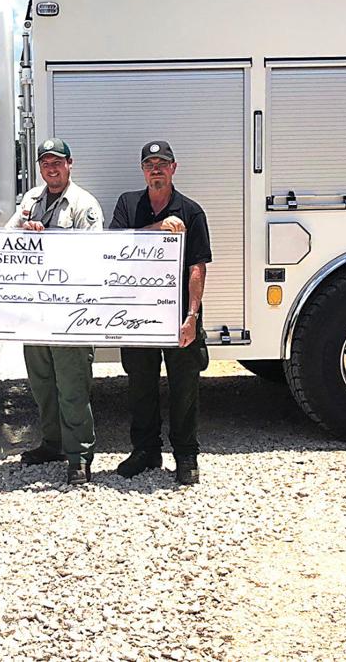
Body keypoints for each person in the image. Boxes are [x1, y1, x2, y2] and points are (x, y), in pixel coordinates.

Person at [109, 140, 212, 485]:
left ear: (173, 168)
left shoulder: (192, 212)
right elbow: (114, 246)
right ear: (142, 170)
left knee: (185, 386)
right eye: (150, 164)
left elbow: (197, 267)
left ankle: (186, 454)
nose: (156, 169)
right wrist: (158, 229)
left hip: (178, 313)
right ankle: (145, 451)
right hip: (137, 312)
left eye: (162, 163)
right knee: (140, 384)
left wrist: (192, 317)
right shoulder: (128, 204)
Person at [6, 137, 104, 486]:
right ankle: (53, 443)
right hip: (35, 312)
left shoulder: (83, 204)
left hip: (69, 313)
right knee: (42, 384)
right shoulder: (31, 200)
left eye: (57, 162)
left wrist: (47, 238)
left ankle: (80, 455)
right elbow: (6, 240)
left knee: (72, 386)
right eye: (45, 163)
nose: (51, 168)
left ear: (69, 164)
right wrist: (25, 232)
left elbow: (92, 254)